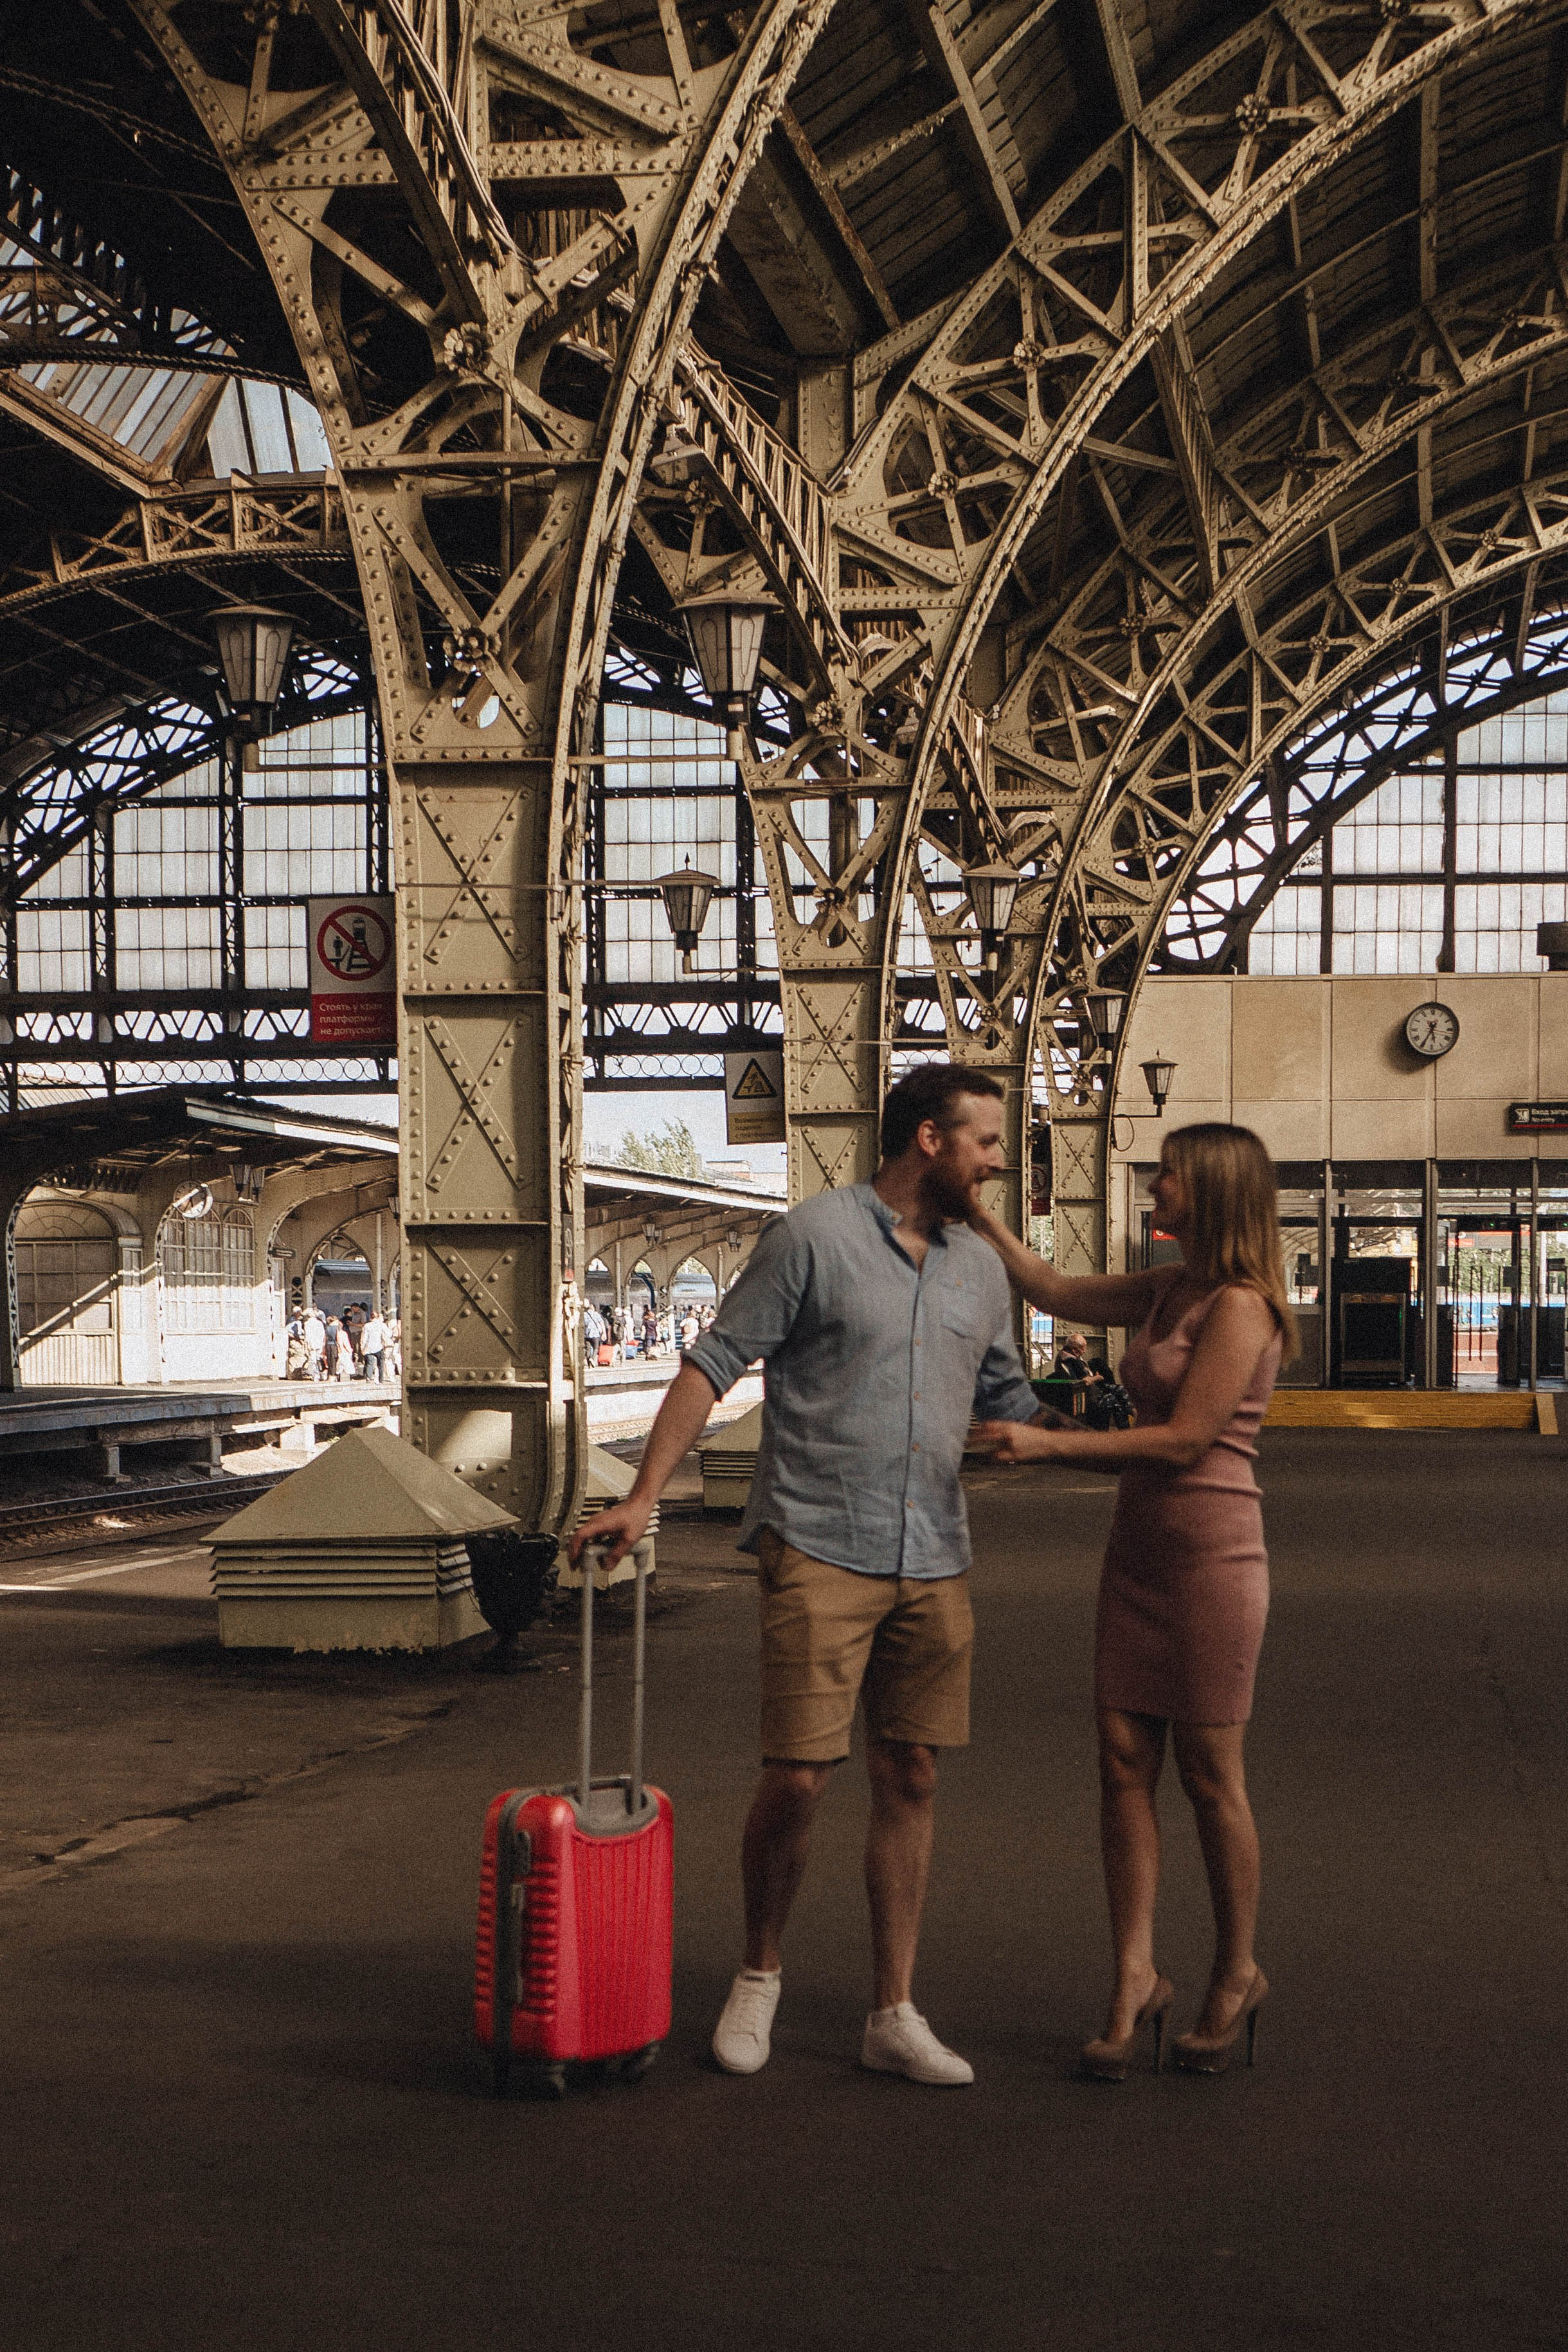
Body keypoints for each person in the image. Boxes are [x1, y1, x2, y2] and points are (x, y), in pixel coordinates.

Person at [573, 1063, 1048, 2087]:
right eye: (985, 1141)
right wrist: (644, 1494)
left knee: (910, 1772)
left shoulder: (979, 1268)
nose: (997, 1160)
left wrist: (1151, 1437)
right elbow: (713, 1360)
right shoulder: (812, 1238)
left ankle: (892, 2009)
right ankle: (758, 1971)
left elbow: (1010, 1395)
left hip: (934, 1549)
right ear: (927, 1138)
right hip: (818, 1538)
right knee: (797, 1775)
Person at [969, 1123, 1293, 2081]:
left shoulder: (1240, 1307)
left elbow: (1188, 1439)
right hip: (1138, 1551)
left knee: (1206, 1771)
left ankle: (1234, 1971)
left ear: (1215, 1192)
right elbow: (1052, 1288)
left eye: (1167, 1176)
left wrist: (1045, 1445)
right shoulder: (1165, 1288)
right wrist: (975, 1212)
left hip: (1213, 1556)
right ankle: (1131, 1975)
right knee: (1120, 1763)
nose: (1151, 1188)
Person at [359, 1307, 388, 1384]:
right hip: (379, 1346)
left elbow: (364, 1338)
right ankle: (381, 1379)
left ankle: (368, 1378)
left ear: (370, 1317)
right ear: (378, 1317)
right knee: (380, 1364)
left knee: (370, 1363)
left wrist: (363, 1347)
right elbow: (389, 1334)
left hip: (369, 1347)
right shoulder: (382, 1325)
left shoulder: (367, 1325)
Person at [302, 1305, 326, 1380]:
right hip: (319, 1343)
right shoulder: (320, 1323)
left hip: (311, 1344)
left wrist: (307, 1345)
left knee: (312, 1359)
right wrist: (323, 1344)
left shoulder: (307, 1324)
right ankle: (321, 1373)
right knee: (319, 1358)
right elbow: (323, 1334)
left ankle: (316, 1374)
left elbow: (308, 1336)